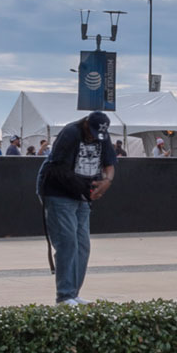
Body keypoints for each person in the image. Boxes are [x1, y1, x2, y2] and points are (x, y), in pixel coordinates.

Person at [37, 111, 117, 305]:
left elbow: (110, 163)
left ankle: (73, 293)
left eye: (97, 135)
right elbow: (58, 169)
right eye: (90, 133)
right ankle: (64, 296)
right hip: (58, 192)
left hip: (82, 195)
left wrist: (107, 181)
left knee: (82, 245)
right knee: (67, 242)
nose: (92, 137)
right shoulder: (71, 133)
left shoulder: (101, 135)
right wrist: (85, 189)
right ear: (86, 123)